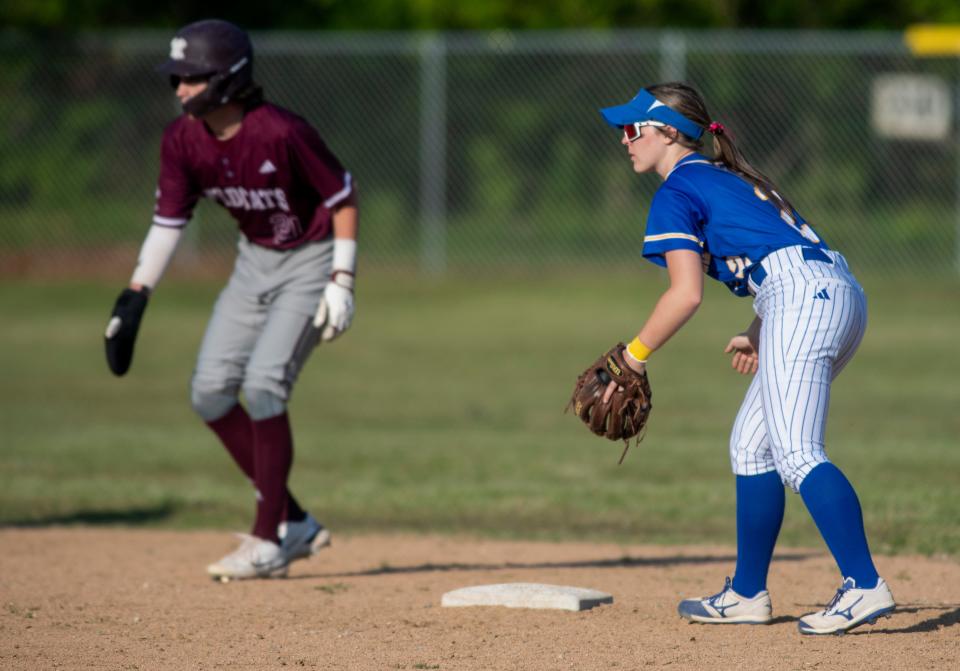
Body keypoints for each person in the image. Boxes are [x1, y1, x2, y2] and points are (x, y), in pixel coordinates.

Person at [597, 82, 894, 635]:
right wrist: (762, 328)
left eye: (633, 128)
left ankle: (865, 584)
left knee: (798, 452)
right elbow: (785, 251)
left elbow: (685, 295)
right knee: (752, 448)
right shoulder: (728, 178)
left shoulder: (678, 189)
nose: (623, 139)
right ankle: (747, 594)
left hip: (803, 298)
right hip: (827, 293)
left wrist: (633, 358)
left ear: (667, 133)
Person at [104, 19, 359, 580]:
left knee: (266, 383)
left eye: (192, 78)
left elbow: (342, 197)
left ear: (227, 77)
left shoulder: (281, 132)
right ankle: (295, 522)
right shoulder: (182, 140)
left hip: (311, 258)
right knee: (210, 393)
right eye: (175, 78)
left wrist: (342, 279)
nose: (180, 89)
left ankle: (269, 539)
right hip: (254, 262)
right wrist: (135, 295)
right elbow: (168, 221)